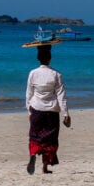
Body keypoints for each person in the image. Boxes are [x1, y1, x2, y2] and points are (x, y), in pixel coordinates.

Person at [25, 45, 71, 174]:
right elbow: (61, 95)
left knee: (35, 136)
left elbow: (28, 94)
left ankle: (33, 153)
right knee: (50, 139)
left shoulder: (33, 73)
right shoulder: (56, 74)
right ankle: (45, 167)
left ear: (38, 59)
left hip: (36, 109)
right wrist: (66, 113)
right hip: (52, 111)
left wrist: (29, 111)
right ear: (50, 58)